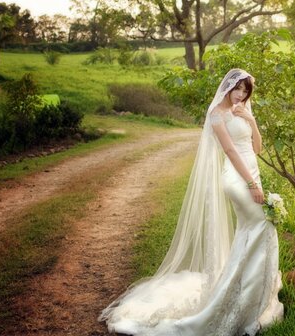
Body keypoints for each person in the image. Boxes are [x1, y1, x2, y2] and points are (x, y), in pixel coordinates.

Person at [99, 69, 284, 335]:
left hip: (252, 173)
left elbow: (256, 149)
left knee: (251, 231)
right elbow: (231, 151)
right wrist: (252, 185)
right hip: (238, 179)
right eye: (238, 89)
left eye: (245, 91)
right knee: (262, 227)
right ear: (228, 87)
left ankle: (245, 293)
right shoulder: (216, 115)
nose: (241, 95)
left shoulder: (241, 110)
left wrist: (252, 121)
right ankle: (241, 297)